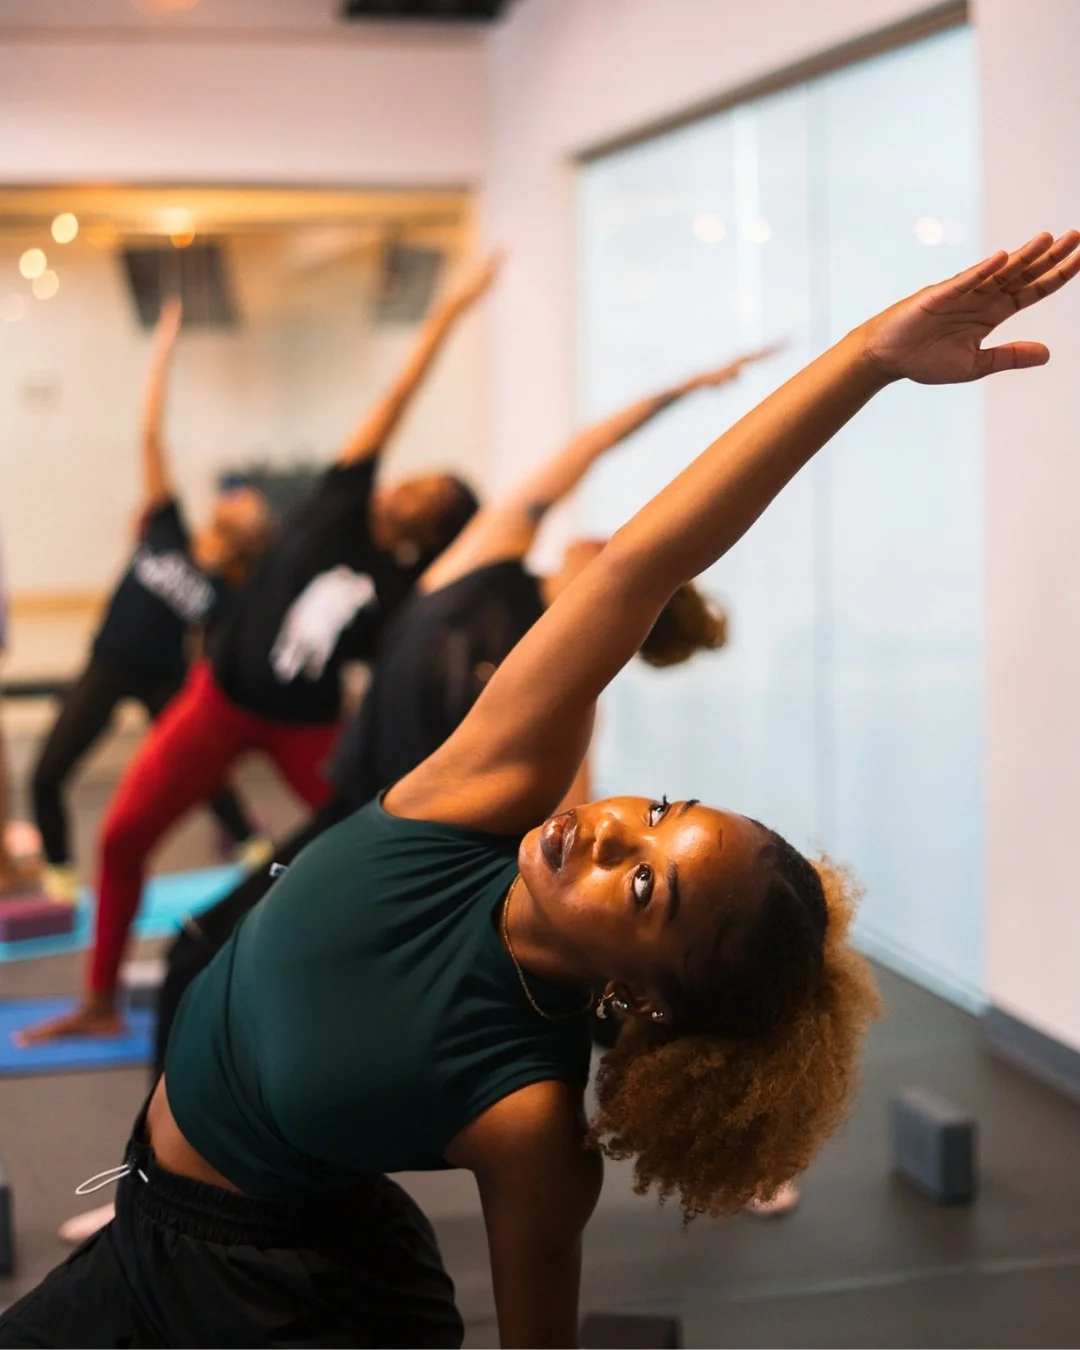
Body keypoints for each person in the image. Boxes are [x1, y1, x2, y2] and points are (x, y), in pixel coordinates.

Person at [2, 233, 1073, 1350]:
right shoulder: (477, 798)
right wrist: (868, 359)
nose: (608, 832)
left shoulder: (529, 1122)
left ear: (645, 999)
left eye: (646, 886)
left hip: (282, 1309)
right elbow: (639, 567)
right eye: (655, 813)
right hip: (147, 1228)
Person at [147, 349, 770, 1082]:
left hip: (417, 852)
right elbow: (584, 449)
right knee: (196, 952)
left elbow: (564, 813)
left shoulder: (566, 686)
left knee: (575, 997)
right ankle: (167, 1165)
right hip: (354, 815)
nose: (596, 541)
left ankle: (721, 1084)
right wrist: (679, 390)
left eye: (610, 552)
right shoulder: (486, 557)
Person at [15, 254, 495, 1046]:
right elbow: (393, 398)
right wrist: (450, 311)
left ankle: (413, 989)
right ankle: (99, 999)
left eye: (428, 497)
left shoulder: (405, 585)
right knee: (122, 835)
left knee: (388, 842)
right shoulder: (339, 497)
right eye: (416, 478)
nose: (405, 488)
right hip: (218, 701)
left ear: (434, 530)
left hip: (304, 729)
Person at [29, 299, 274, 909]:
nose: (235, 498)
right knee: (47, 772)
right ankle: (58, 873)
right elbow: (148, 432)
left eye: (247, 504)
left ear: (250, 534)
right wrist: (163, 347)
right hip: (109, 665)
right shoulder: (165, 525)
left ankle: (253, 852)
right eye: (233, 496)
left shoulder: (228, 594)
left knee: (203, 776)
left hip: (165, 679)